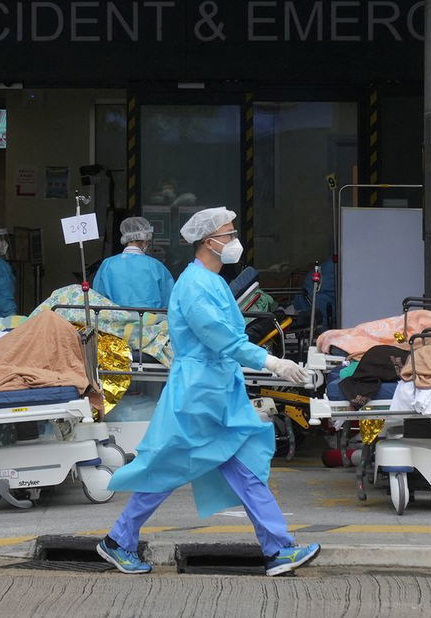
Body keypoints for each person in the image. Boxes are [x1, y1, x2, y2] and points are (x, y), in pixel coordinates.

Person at [97, 206, 320, 578]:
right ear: (208, 241)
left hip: (214, 392)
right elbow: (222, 337)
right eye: (229, 234)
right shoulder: (195, 285)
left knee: (233, 467)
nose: (235, 241)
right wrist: (274, 364)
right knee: (177, 469)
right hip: (199, 396)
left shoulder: (211, 280)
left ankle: (278, 549)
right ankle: (119, 539)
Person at [92, 217, 174, 309]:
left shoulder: (108, 264)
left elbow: (98, 298)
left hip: (115, 321)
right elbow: (169, 301)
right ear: (145, 241)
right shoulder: (156, 266)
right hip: (149, 321)